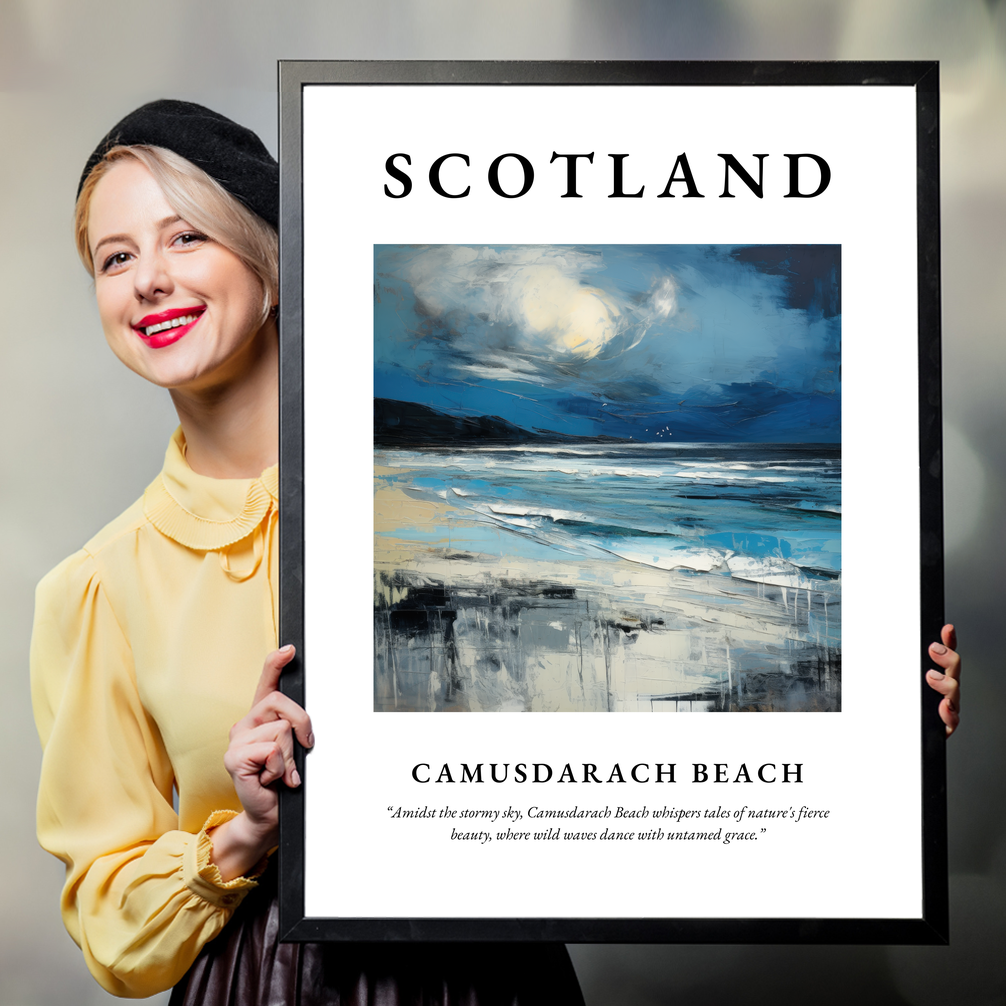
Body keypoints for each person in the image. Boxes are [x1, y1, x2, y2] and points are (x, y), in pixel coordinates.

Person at [30, 100, 586, 1004]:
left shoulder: (454, 502)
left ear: (273, 263)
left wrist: (887, 708)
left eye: (185, 239)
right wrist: (245, 832)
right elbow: (110, 923)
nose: (148, 281)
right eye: (116, 257)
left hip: (492, 973)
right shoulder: (97, 587)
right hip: (263, 981)